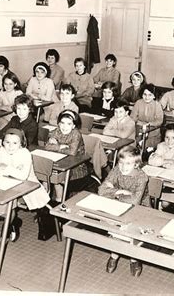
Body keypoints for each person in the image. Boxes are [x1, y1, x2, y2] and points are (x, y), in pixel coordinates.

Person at [0, 128, 50, 241]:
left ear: (21, 144)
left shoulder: (25, 154)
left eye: (15, 143)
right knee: (1, 200)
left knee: (10, 202)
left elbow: (23, 177)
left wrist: (5, 167)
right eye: (7, 142)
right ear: (3, 142)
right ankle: (11, 222)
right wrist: (13, 170)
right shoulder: (1, 151)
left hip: (28, 187)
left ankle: (6, 229)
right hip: (6, 184)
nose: (10, 146)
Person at [98, 146, 149, 277]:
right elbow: (101, 190)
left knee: (128, 229)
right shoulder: (116, 170)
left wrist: (113, 193)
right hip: (119, 205)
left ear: (136, 164)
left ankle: (132, 258)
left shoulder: (142, 177)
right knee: (116, 225)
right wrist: (119, 192)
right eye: (121, 162)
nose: (123, 167)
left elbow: (135, 201)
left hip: (141, 210)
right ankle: (115, 254)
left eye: (128, 163)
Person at [45, 110, 87, 202]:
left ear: (74, 126)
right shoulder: (57, 131)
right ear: (59, 124)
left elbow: (72, 152)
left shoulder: (76, 134)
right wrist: (61, 146)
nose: (64, 127)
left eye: (69, 124)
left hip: (76, 167)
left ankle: (59, 200)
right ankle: (47, 200)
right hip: (60, 162)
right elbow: (47, 146)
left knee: (56, 174)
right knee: (45, 172)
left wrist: (56, 146)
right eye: (62, 123)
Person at [130, 83, 164, 149]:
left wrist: (149, 124)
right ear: (142, 95)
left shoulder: (157, 105)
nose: (147, 97)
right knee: (131, 144)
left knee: (144, 146)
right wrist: (137, 122)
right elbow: (132, 117)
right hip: (138, 129)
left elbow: (159, 121)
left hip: (152, 132)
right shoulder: (138, 103)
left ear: (154, 96)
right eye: (145, 94)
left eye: (150, 95)